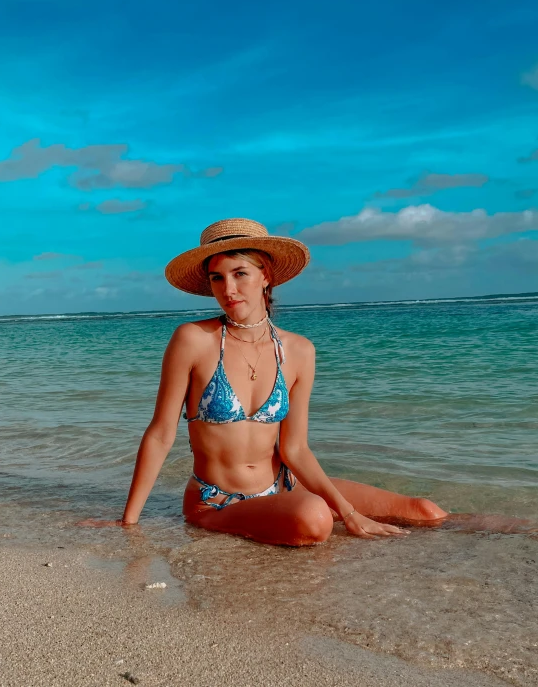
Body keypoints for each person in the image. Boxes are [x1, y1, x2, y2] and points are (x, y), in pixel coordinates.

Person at [121, 218, 448, 546]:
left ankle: (492, 534)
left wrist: (348, 511)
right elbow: (161, 435)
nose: (228, 290)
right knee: (314, 518)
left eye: (239, 274)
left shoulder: (298, 350)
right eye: (217, 278)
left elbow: (295, 449)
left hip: (284, 487)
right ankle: (303, 512)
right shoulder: (194, 339)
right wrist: (128, 524)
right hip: (216, 502)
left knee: (424, 511)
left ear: (265, 275)